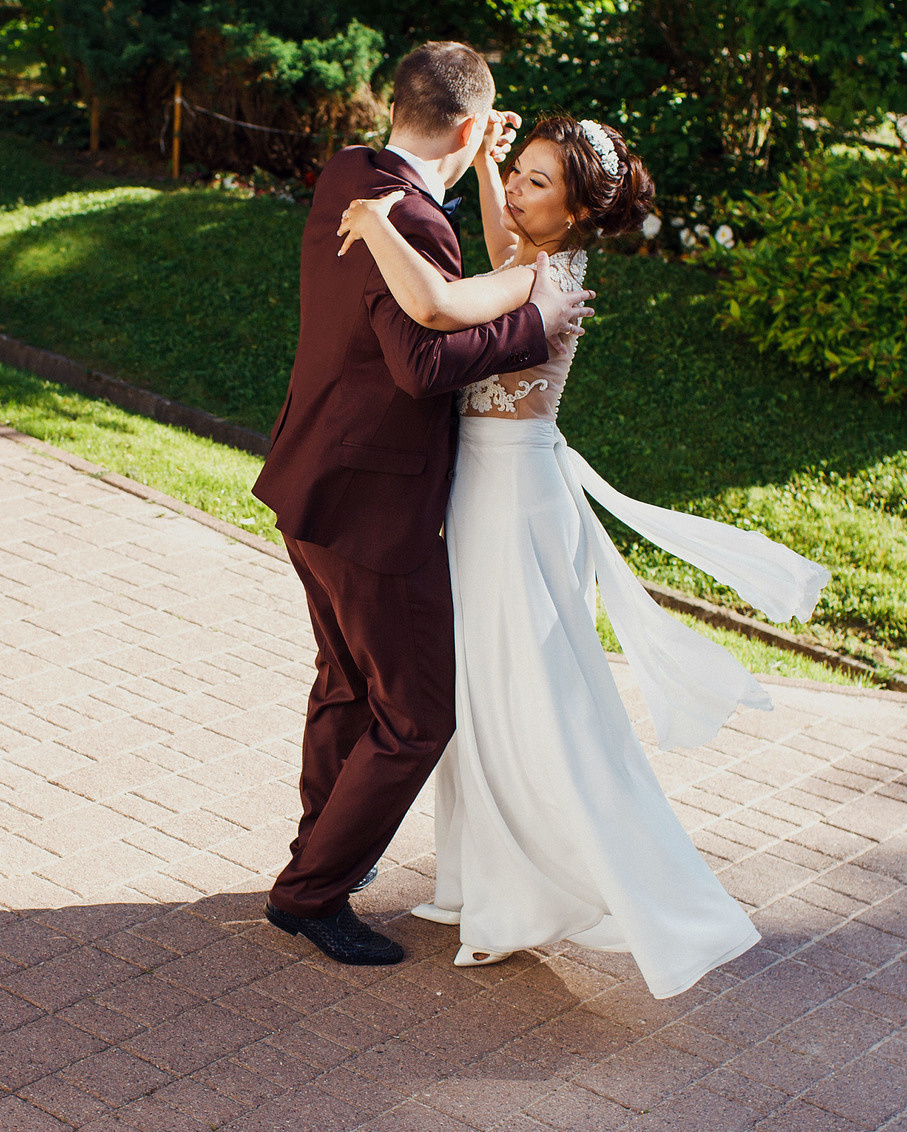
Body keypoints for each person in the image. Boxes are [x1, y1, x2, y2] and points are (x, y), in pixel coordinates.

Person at [334, 112, 830, 996]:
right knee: (485, 690)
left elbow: (442, 304)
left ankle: (598, 890)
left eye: (535, 181)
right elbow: (497, 242)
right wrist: (489, 168)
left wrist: (373, 224)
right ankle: (494, 880)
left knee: (530, 696)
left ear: (569, 214)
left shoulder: (541, 279)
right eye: (518, 172)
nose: (517, 189)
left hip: (509, 502)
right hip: (497, 489)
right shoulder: (543, 260)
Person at [253, 42, 593, 968]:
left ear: (394, 105)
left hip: (308, 481)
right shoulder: (415, 225)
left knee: (346, 683)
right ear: (477, 126)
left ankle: (319, 857)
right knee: (415, 714)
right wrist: (536, 323)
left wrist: (484, 177)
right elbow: (420, 362)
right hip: (374, 506)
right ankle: (312, 891)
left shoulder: (350, 177)